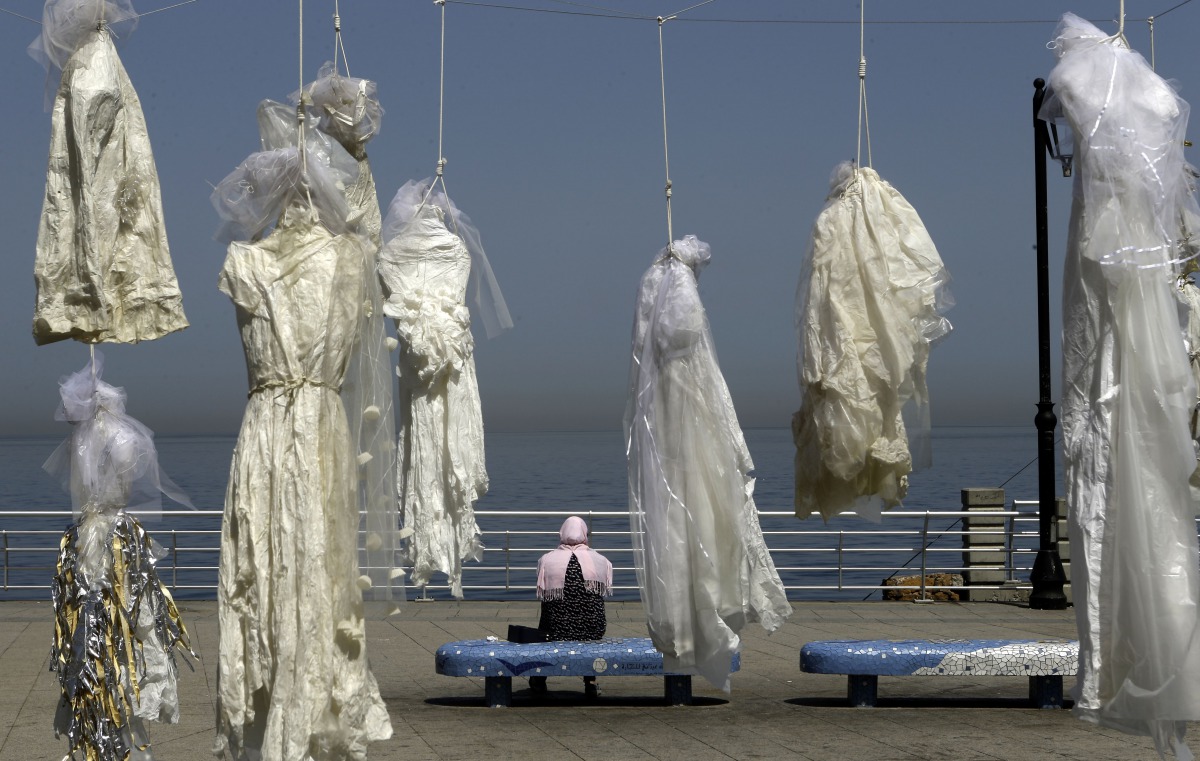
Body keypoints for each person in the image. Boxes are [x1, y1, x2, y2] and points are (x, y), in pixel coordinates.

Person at [530, 516, 613, 697]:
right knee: (588, 623)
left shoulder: (547, 560)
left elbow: (545, 599)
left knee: (546, 621)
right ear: (585, 534)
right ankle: (590, 682)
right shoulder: (600, 560)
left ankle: (538, 679)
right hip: (593, 629)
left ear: (562, 533)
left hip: (556, 630)